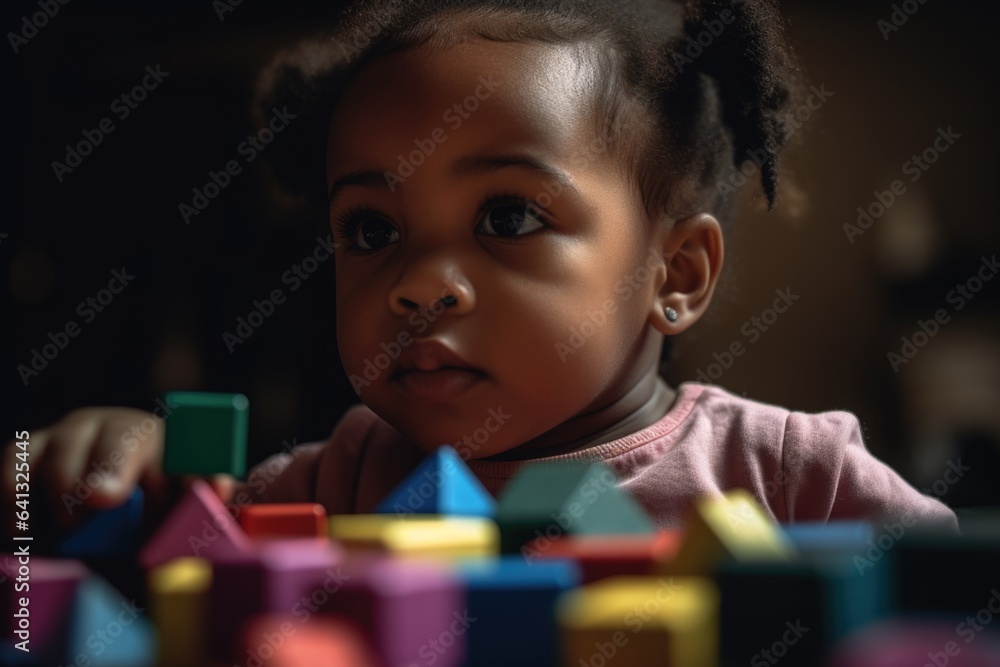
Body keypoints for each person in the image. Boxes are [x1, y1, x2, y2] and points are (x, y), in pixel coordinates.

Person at [3, 0, 958, 537]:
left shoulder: (791, 476)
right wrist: (115, 456)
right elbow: (176, 530)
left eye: (507, 215)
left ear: (677, 272)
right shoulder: (339, 478)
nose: (418, 283)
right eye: (371, 230)